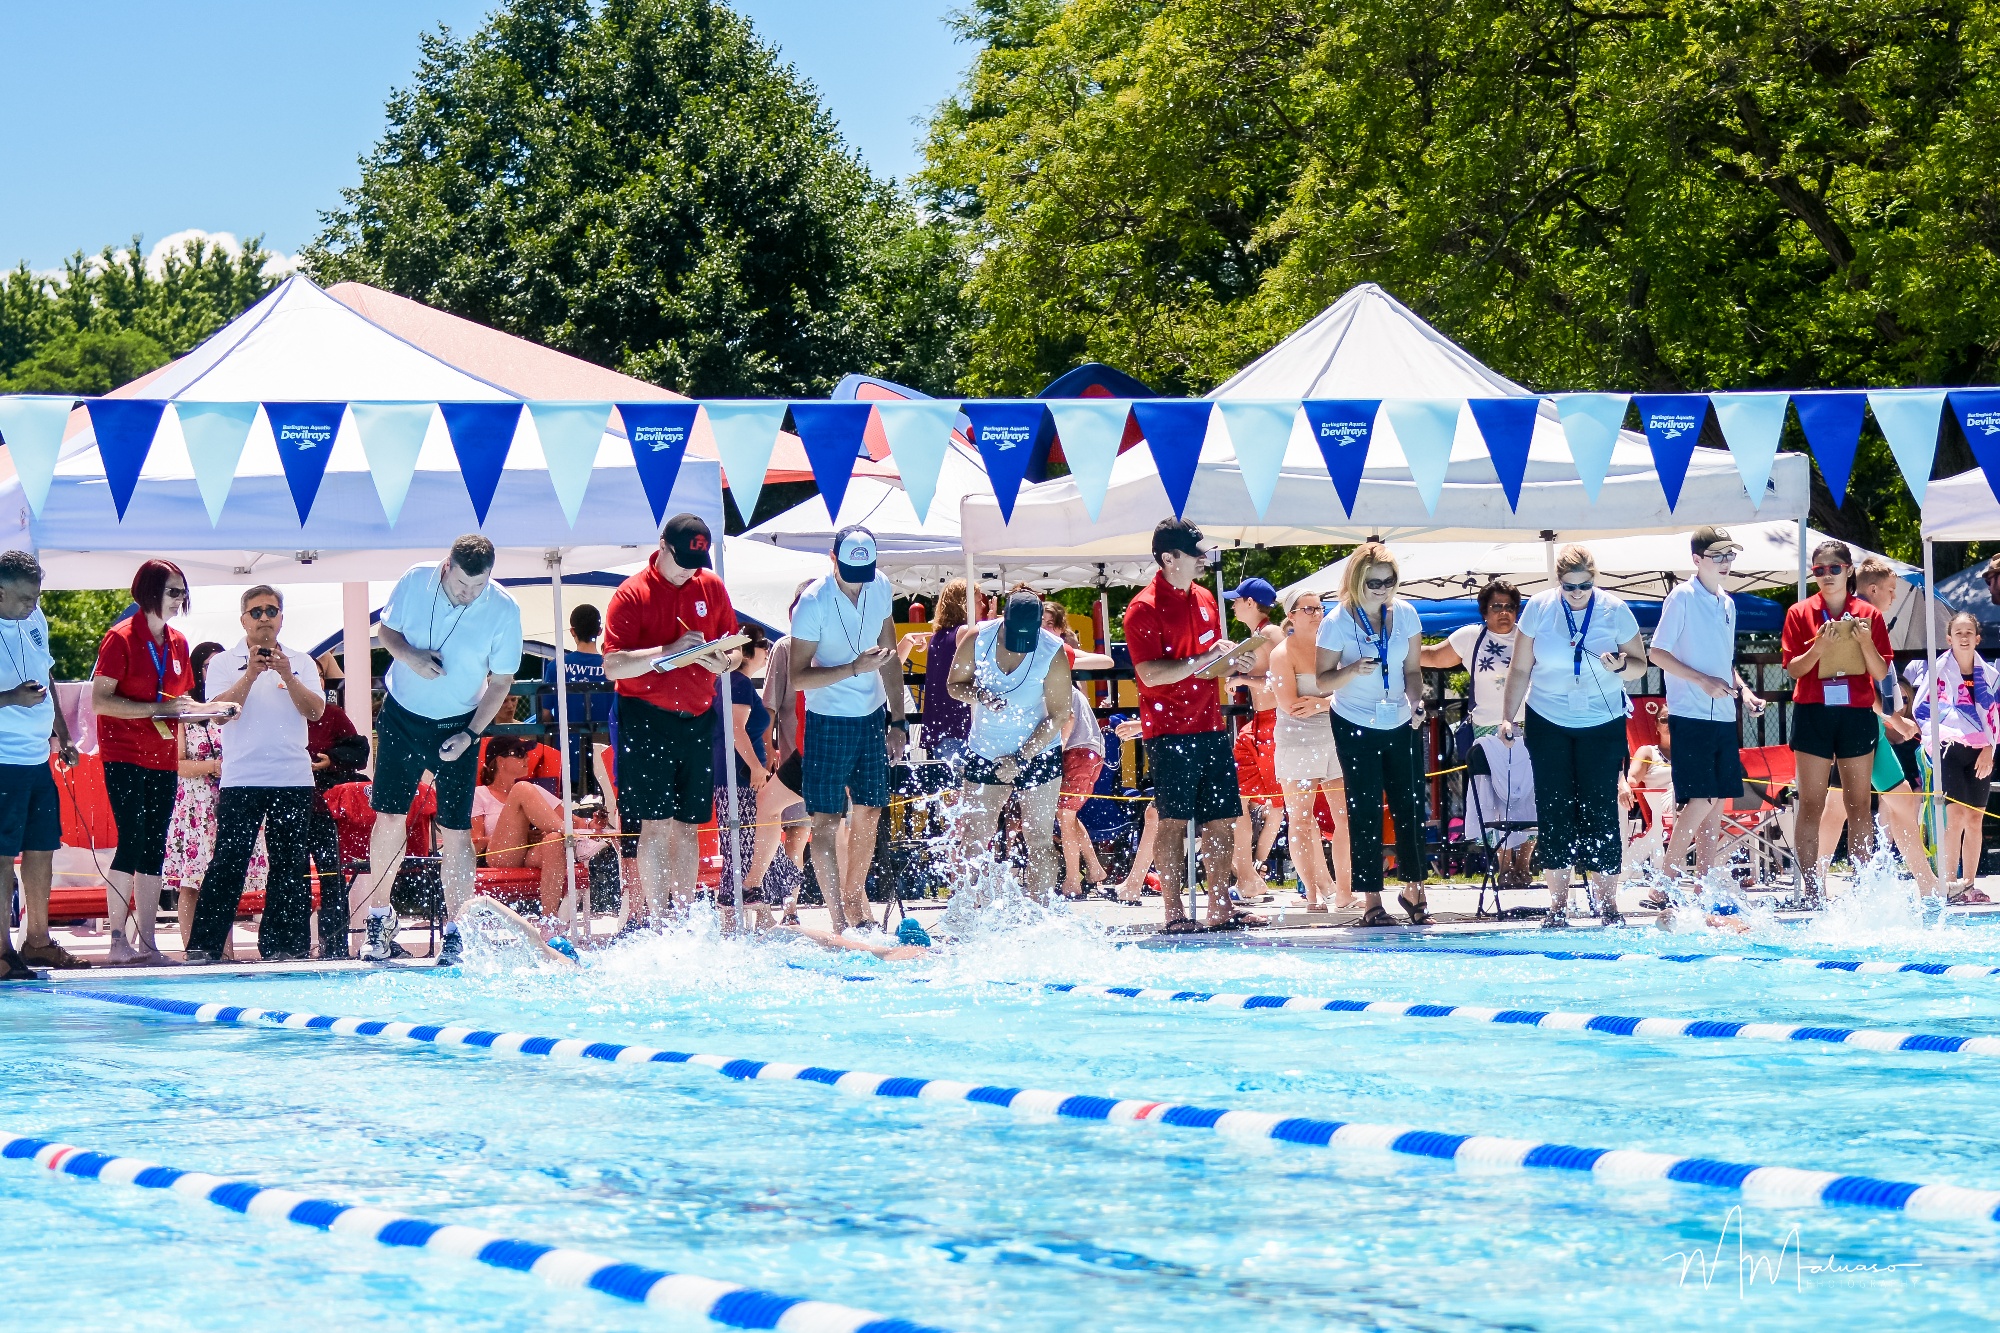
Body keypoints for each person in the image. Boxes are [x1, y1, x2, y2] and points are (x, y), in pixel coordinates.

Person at [353, 535, 525, 967]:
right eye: (463, 585)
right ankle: (379, 917)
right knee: (390, 815)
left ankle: (457, 927)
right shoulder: (415, 580)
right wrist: (408, 656)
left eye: (478, 587)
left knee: (456, 830)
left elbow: (501, 682)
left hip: (460, 725)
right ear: (447, 566)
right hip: (402, 716)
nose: (469, 595)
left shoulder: (504, 609)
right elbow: (386, 631)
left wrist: (470, 734)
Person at [93, 560, 236, 965]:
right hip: (123, 753)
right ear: (149, 592)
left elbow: (180, 706)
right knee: (132, 840)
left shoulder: (177, 642)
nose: (180, 600)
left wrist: (214, 709)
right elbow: (100, 700)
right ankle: (117, 939)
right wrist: (157, 707)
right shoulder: (120, 639)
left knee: (154, 844)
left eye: (183, 592)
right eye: (174, 592)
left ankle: (149, 942)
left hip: (161, 757)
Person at [601, 513, 742, 926]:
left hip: (697, 716)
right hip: (646, 718)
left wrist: (723, 660)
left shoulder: (710, 586)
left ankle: (682, 919)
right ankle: (658, 919)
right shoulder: (630, 594)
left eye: (695, 564)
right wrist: (670, 650)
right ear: (662, 546)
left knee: (689, 825)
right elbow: (612, 666)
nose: (687, 572)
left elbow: (734, 651)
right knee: (655, 824)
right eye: (681, 562)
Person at [1498, 544, 1648, 928]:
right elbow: (1519, 669)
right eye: (1569, 587)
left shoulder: (1615, 611)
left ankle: (1608, 904)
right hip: (1548, 719)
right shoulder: (1539, 608)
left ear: (1594, 579)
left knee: (1600, 808)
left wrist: (1620, 665)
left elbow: (1639, 667)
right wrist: (1507, 717)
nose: (1577, 593)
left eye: (1584, 586)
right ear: (1557, 582)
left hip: (1602, 720)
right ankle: (1558, 906)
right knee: (1555, 809)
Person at [1124, 518, 1262, 933]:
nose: (1204, 560)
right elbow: (1148, 674)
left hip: (1209, 722)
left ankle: (1220, 906)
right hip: (1168, 731)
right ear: (1169, 558)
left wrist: (1237, 661)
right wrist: (1201, 661)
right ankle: (1174, 913)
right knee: (1173, 820)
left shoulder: (1204, 597)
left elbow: (1209, 662)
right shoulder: (1142, 608)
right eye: (1195, 553)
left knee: (1222, 817)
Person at [184, 587, 326, 963]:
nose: (264, 617)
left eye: (271, 611)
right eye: (256, 612)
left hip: (293, 778)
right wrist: (249, 674)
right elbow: (217, 713)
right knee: (229, 861)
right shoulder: (223, 663)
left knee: (290, 865)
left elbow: (315, 712)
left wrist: (287, 675)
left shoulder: (302, 661)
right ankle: (205, 947)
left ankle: (287, 946)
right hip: (241, 777)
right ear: (243, 620)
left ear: (282, 618)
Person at [787, 526, 909, 934]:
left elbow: (889, 654)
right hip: (828, 719)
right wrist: (853, 668)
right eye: (852, 570)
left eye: (867, 570)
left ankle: (854, 900)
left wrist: (897, 718)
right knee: (824, 820)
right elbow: (799, 677)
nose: (861, 579)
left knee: (871, 810)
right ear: (832, 558)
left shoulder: (881, 585)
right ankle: (839, 917)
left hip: (872, 715)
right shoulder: (812, 602)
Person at [1316, 543, 1429, 927]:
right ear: (1357, 581)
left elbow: (1413, 671)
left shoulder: (1407, 614)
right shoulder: (1337, 622)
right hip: (1354, 721)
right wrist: (1351, 671)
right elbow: (1321, 679)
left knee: (1410, 804)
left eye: (1390, 581)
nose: (1383, 588)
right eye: (1374, 582)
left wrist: (1416, 703)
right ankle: (1371, 900)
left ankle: (1413, 887)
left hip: (1399, 719)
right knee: (1364, 808)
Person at [1647, 526, 1767, 882]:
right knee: (1701, 798)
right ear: (1697, 560)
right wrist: (1702, 681)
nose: (1726, 562)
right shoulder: (1681, 597)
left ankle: (1704, 882)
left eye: (1730, 554)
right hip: (1689, 713)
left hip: (1722, 715)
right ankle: (1664, 883)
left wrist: (1743, 691)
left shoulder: (1727, 603)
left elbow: (1723, 663)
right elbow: (1657, 652)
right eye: (1718, 555)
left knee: (1716, 802)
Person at [1781, 539, 1892, 907]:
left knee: (1859, 804)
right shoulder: (1799, 613)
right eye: (1819, 570)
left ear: (1848, 571)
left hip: (1855, 714)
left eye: (1833, 569)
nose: (1826, 576)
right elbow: (1793, 669)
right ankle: (1812, 892)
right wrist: (1819, 648)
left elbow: (1880, 671)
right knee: (1810, 803)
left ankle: (1863, 891)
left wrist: (1863, 643)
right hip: (1813, 711)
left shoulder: (1869, 614)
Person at [949, 587, 1073, 904]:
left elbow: (1059, 715)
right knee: (974, 838)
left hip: (1037, 752)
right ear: (1002, 618)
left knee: (1040, 838)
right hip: (984, 750)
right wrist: (978, 694)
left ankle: (1039, 912)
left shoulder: (1052, 649)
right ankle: (973, 910)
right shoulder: (979, 637)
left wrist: (1022, 756)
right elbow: (954, 686)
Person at [0, 551, 84, 979]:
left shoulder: (36, 618)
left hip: (37, 757)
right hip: (2, 759)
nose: (34, 606)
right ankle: (0, 951)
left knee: (41, 850)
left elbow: (47, 674)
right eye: (25, 598)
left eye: (37, 597)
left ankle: (37, 941)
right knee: (1, 857)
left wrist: (63, 735)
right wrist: (11, 698)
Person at [1420, 579, 1532, 887]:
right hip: (1487, 728)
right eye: (1497, 606)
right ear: (1484, 611)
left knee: (1528, 799)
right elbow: (1431, 657)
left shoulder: (1531, 637)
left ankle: (1523, 866)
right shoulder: (1471, 637)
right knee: (1495, 799)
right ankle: (1504, 866)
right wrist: (1394, 647)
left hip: (1530, 725)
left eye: (1510, 606)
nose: (1504, 613)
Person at [163, 641, 267, 960]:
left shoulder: (237, 707)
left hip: (231, 800)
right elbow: (176, 763)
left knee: (225, 881)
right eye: (208, 665)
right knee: (191, 883)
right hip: (196, 807)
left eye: (219, 665)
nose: (213, 671)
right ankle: (192, 952)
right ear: (197, 670)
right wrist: (213, 766)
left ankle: (226, 953)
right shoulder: (185, 712)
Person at [1271, 589, 1349, 913]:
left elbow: (1354, 692)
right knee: (1301, 820)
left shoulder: (1336, 646)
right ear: (1291, 615)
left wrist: (1321, 703)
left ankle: (1344, 892)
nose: (1317, 613)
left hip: (1335, 738)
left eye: (1319, 607)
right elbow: (1290, 705)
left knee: (1345, 818)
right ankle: (1313, 897)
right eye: (1308, 609)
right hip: (1297, 742)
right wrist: (1329, 702)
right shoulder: (1281, 653)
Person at [1910, 610, 1999, 897]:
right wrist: (1939, 736)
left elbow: (1996, 716)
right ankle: (1948, 884)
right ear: (1949, 638)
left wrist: (1989, 748)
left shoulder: (1991, 675)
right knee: (1956, 816)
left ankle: (1969, 885)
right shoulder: (1937, 671)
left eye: (1968, 633)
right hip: (1948, 750)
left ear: (1977, 639)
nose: (1963, 637)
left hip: (1980, 752)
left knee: (1975, 819)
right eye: (1958, 633)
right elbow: (1921, 709)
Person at [1225, 578, 1287, 903]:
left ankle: (1256, 873)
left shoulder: (1271, 633)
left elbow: (1283, 677)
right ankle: (1251, 876)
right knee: (1241, 800)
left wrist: (1241, 677)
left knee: (1276, 803)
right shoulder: (1256, 636)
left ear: (1250, 602)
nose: (1232, 605)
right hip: (1258, 725)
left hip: (1274, 724)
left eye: (1236, 600)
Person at [472, 736, 574, 919]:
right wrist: (519, 834)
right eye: (519, 753)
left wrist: (594, 824)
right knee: (521, 789)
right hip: (499, 855)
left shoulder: (533, 792)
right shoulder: (480, 795)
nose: (527, 758)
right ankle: (572, 837)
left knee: (553, 840)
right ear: (500, 760)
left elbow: (576, 821)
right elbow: (475, 844)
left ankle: (549, 921)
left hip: (528, 854)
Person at [715, 626, 773, 929]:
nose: (767, 653)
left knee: (741, 844)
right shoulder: (737, 683)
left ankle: (741, 919)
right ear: (749, 651)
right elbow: (736, 729)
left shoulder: (736, 682)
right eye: (764, 647)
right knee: (740, 845)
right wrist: (754, 766)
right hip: (738, 775)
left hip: (737, 774)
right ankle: (731, 920)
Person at [303, 679, 362, 958]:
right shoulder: (280, 710)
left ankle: (335, 947)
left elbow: (359, 751)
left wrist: (332, 759)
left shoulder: (332, 714)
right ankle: (295, 945)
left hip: (326, 809)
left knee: (332, 877)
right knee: (291, 877)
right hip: (290, 805)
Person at [542, 602, 613, 792]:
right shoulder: (611, 667)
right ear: (599, 631)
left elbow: (545, 714)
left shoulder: (556, 666)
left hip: (567, 756)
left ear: (572, 631)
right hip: (605, 755)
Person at [1057, 676, 1113, 899]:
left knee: (1064, 814)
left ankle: (1072, 881)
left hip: (1078, 750)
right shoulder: (1068, 686)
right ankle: (1094, 868)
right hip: (1089, 751)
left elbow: (1066, 719)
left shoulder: (1053, 684)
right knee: (1067, 814)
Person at [920, 579, 983, 767]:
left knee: (951, 791)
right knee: (964, 791)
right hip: (958, 726)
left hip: (940, 725)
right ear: (965, 604)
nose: (983, 605)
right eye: (978, 601)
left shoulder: (938, 635)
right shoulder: (964, 632)